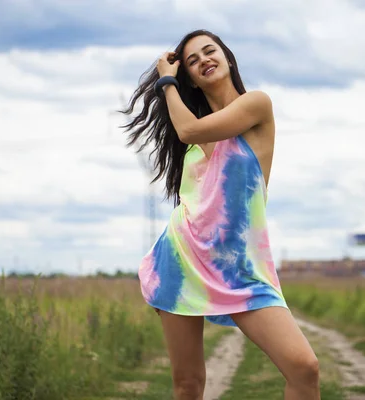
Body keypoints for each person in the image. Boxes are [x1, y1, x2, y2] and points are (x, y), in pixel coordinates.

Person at [121, 29, 320, 400]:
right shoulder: (194, 143)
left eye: (209, 51)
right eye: (192, 61)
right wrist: (170, 82)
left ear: (228, 58)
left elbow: (188, 129)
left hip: (239, 268)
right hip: (181, 261)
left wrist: (167, 80)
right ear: (191, 80)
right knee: (188, 384)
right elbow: (189, 142)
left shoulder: (256, 106)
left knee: (304, 368)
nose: (203, 61)